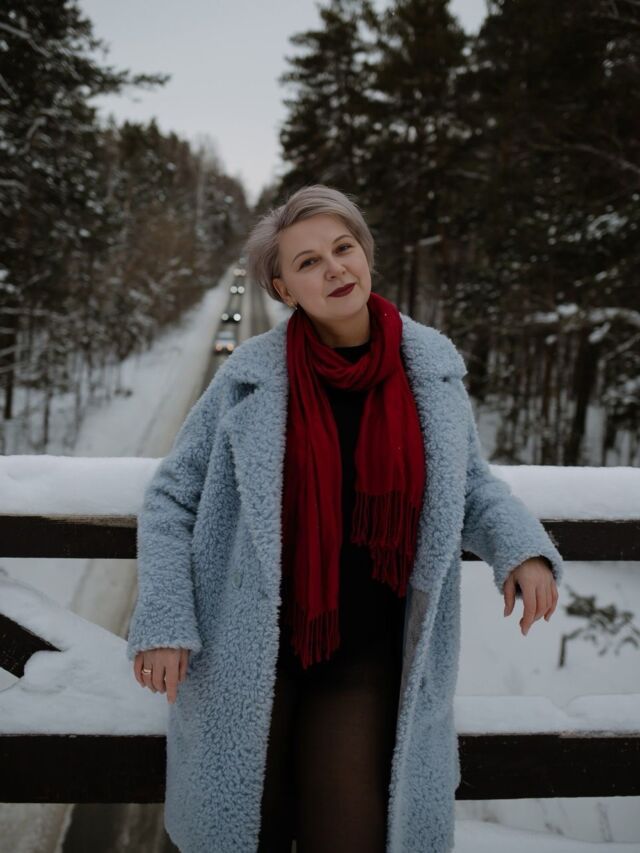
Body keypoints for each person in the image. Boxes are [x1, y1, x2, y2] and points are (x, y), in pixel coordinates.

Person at [127, 184, 563, 853]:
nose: (333, 268)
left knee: (350, 830)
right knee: (240, 832)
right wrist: (164, 618)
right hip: (245, 650)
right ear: (283, 287)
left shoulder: (430, 373)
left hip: (361, 651)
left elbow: (470, 485)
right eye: (308, 262)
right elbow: (170, 498)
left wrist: (521, 547)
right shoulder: (248, 379)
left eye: (343, 248)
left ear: (366, 254)